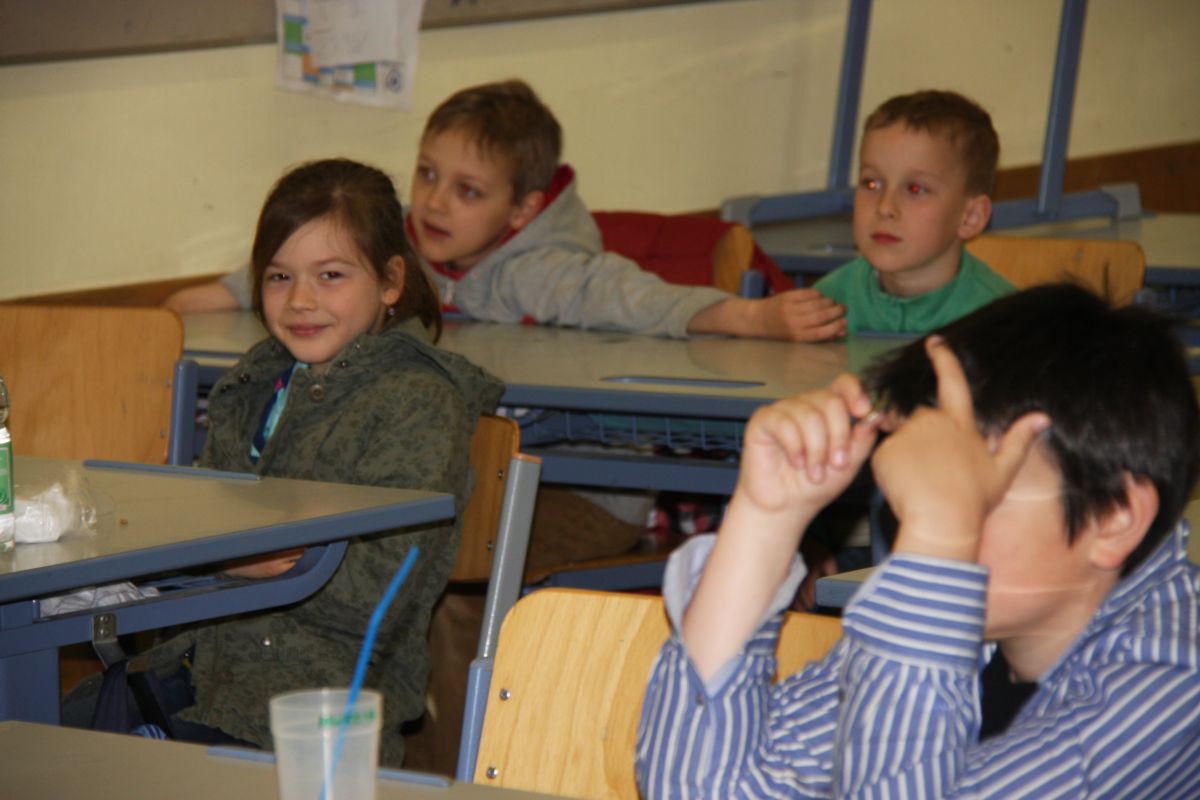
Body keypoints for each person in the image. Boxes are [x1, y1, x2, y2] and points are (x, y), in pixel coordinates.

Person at [636, 284, 1200, 798]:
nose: (920, 529)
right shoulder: (965, 614)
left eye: (968, 492)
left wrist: (942, 534)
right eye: (924, 494)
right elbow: (696, 788)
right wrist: (767, 518)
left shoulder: (1174, 687)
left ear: (1115, 516)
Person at [67, 158, 504, 769]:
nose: (301, 300)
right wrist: (228, 558)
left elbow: (379, 593)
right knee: (45, 737)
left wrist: (232, 558)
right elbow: (195, 529)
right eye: (279, 277)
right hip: (197, 673)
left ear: (390, 281)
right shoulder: (254, 384)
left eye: (330, 275)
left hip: (320, 706)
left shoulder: (418, 402)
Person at [165, 79, 847, 343]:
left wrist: (755, 316)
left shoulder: (548, 269)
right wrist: (201, 301)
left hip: (572, 481)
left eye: (468, 191)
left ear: (522, 210)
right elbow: (306, 263)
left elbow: (639, 300)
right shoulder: (397, 242)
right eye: (428, 173)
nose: (434, 201)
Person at [813, 89, 1014, 333]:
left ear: (970, 217)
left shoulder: (1002, 321)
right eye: (871, 183)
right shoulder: (825, 305)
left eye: (915, 189)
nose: (885, 208)